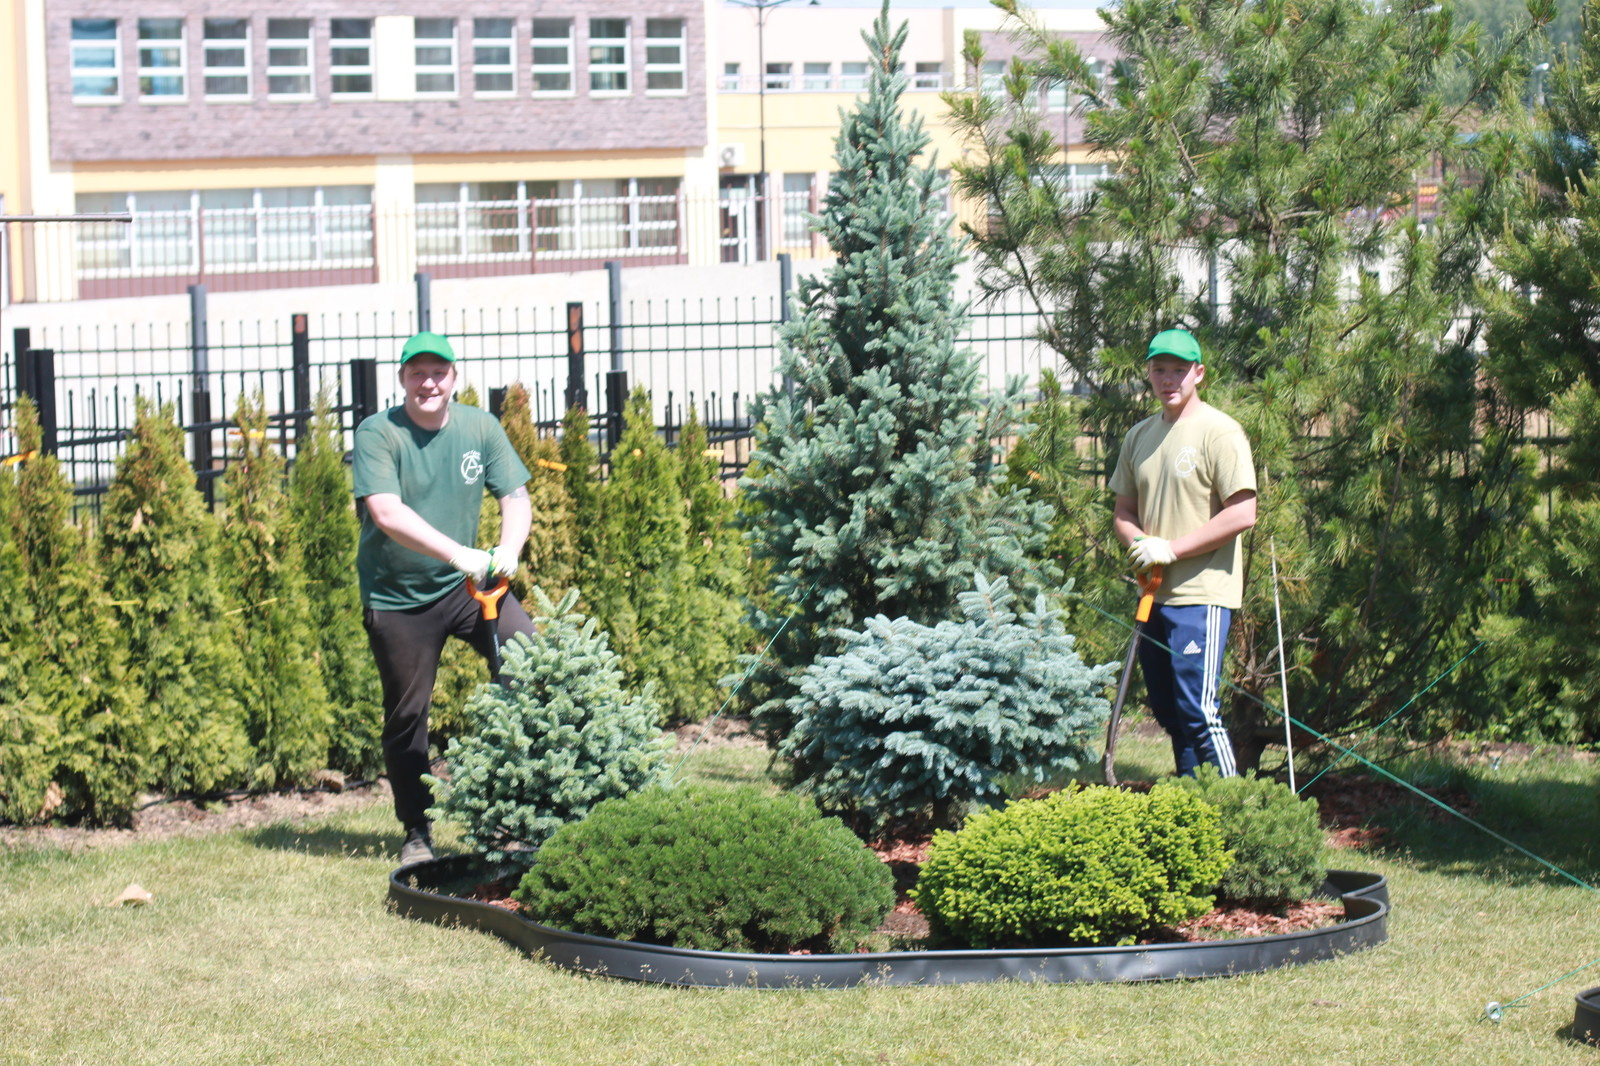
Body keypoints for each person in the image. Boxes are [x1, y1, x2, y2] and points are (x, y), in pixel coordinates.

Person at [353, 331, 535, 866]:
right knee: (408, 716)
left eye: (438, 372)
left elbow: (515, 496)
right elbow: (385, 512)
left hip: (468, 588)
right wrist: (458, 553)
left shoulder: (480, 427)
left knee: (533, 664)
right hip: (399, 598)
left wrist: (509, 547)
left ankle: (525, 811)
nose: (428, 383)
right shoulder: (379, 433)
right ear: (403, 378)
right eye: (418, 373)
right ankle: (416, 831)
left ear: (454, 378)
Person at [1110, 328, 1257, 777]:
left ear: (1199, 374)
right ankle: (1193, 804)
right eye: (1159, 369)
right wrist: (1140, 544)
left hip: (1201, 595)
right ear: (1148, 374)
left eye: (1179, 370)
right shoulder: (1139, 436)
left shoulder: (1220, 432)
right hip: (1154, 596)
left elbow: (1243, 513)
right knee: (1169, 711)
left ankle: (1233, 806)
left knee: (1198, 710)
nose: (1168, 379)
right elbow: (1123, 512)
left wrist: (1172, 549)